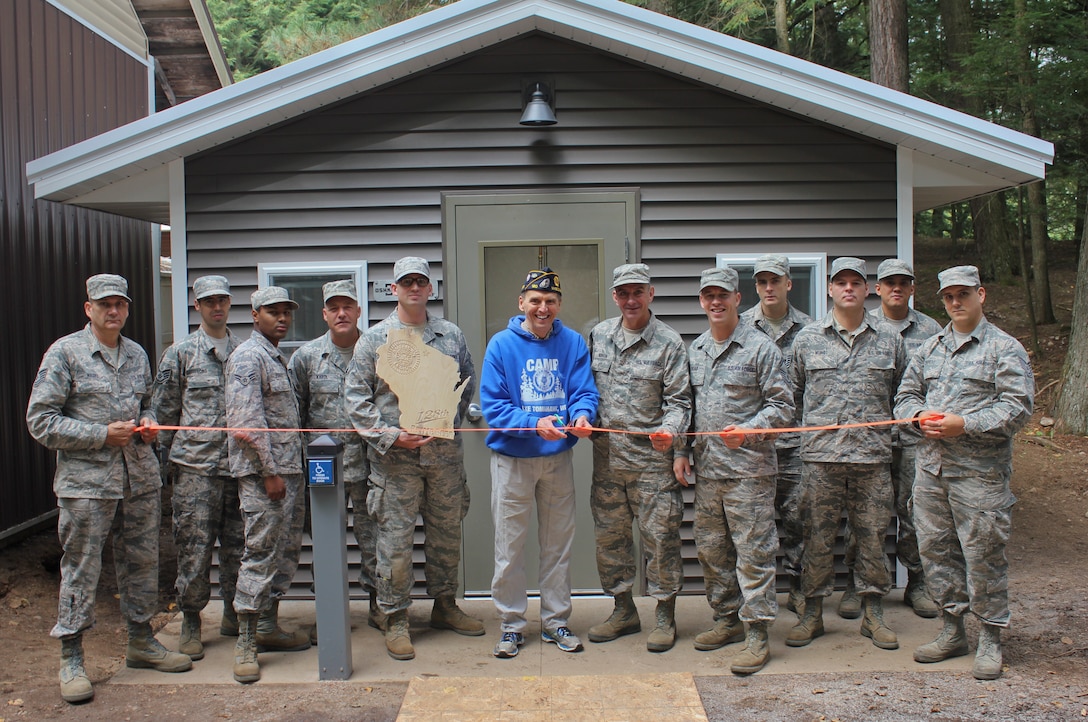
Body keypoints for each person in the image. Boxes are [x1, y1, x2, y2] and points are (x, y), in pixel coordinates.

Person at [27, 273, 192, 704]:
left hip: (137, 479)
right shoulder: (66, 353)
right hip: (87, 486)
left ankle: (141, 642)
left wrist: (151, 420)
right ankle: (72, 657)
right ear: (89, 309)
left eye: (120, 304)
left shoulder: (137, 353)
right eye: (105, 305)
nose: (113, 311)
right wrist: (101, 434)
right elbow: (41, 421)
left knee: (141, 562)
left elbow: (146, 404)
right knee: (81, 567)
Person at [895, 265, 1034, 680]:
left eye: (964, 294)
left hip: (980, 475)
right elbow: (905, 395)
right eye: (949, 296)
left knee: (984, 554)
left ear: (981, 295)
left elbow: (1017, 407)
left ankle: (990, 636)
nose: (956, 302)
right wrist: (917, 417)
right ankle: (952, 628)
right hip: (932, 471)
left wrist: (965, 423)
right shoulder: (930, 347)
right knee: (937, 551)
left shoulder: (1003, 348)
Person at [344, 257, 481, 662]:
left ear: (431, 287)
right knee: (395, 543)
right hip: (394, 463)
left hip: (443, 460)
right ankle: (396, 617)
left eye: (421, 281)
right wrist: (390, 436)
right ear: (394, 289)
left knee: (445, 536)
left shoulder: (450, 335)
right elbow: (355, 398)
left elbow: (466, 382)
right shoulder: (374, 339)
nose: (415, 288)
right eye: (407, 282)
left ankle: (444, 606)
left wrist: (444, 423)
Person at [675, 267, 794, 674]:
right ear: (701, 301)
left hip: (751, 473)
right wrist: (680, 450)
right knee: (711, 550)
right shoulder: (697, 350)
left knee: (754, 553)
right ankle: (726, 619)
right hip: (709, 473)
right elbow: (685, 408)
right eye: (708, 295)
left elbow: (783, 409)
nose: (715, 302)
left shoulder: (761, 349)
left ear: (737, 299)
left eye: (722, 295)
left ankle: (757, 633)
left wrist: (749, 430)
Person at [787, 257, 905, 651]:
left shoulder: (890, 340)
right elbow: (793, 395)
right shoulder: (807, 339)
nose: (849, 288)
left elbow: (903, 395)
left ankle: (874, 614)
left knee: (872, 538)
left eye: (856, 282)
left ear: (868, 290)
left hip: (872, 459)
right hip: (820, 460)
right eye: (841, 282)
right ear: (830, 289)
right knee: (816, 538)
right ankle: (813, 613)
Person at [480, 267, 599, 659]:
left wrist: (583, 417)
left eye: (550, 301)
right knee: (509, 548)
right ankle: (512, 626)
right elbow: (495, 409)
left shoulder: (573, 343)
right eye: (535, 301)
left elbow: (584, 391)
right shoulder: (500, 345)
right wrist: (533, 423)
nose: (542, 308)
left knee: (557, 546)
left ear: (559, 305)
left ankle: (555, 621)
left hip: (557, 460)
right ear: (522, 304)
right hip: (512, 461)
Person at [586, 263, 691, 653]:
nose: (631, 300)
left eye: (638, 292)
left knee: (660, 540)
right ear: (615, 297)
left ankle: (664, 615)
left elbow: (680, 401)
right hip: (608, 461)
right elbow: (585, 391)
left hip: (653, 464)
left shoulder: (668, 342)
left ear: (651, 294)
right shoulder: (599, 336)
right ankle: (623, 610)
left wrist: (671, 431)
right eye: (623, 293)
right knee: (610, 540)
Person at [836, 259, 942, 620]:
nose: (896, 287)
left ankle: (917, 582)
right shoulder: (863, 327)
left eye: (904, 282)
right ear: (876, 289)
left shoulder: (932, 331)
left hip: (914, 440)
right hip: (870, 441)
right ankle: (858, 582)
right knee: (864, 516)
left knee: (914, 512)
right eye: (889, 282)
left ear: (912, 288)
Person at [151, 275, 244, 661]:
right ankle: (191, 619)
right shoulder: (180, 354)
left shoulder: (244, 352)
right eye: (209, 302)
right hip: (194, 470)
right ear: (197, 306)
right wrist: (160, 473)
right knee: (194, 550)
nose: (217, 307)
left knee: (239, 548)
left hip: (238, 468)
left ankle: (234, 613)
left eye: (222, 300)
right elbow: (163, 414)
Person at [225, 286, 310, 684]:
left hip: (290, 471)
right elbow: (247, 424)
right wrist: (269, 472)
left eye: (286, 313)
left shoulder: (278, 358)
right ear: (254, 314)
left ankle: (267, 627)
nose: (282, 319)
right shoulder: (248, 357)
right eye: (273, 312)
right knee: (260, 553)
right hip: (267, 477)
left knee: (284, 553)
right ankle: (245, 640)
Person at [288, 279, 382, 634]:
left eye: (348, 307)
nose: (342, 313)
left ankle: (378, 606)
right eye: (334, 308)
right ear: (325, 314)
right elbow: (293, 417)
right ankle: (328, 613)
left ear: (359, 311)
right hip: (324, 470)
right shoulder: (306, 358)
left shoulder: (377, 351)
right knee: (326, 543)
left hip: (372, 464)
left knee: (374, 540)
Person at [739, 254, 813, 616]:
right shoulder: (740, 329)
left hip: (796, 444)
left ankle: (798, 587)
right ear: (755, 287)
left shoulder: (810, 331)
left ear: (788, 284)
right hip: (751, 448)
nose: (769, 288)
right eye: (762, 282)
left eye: (775, 281)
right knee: (754, 526)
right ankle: (753, 597)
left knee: (798, 519)